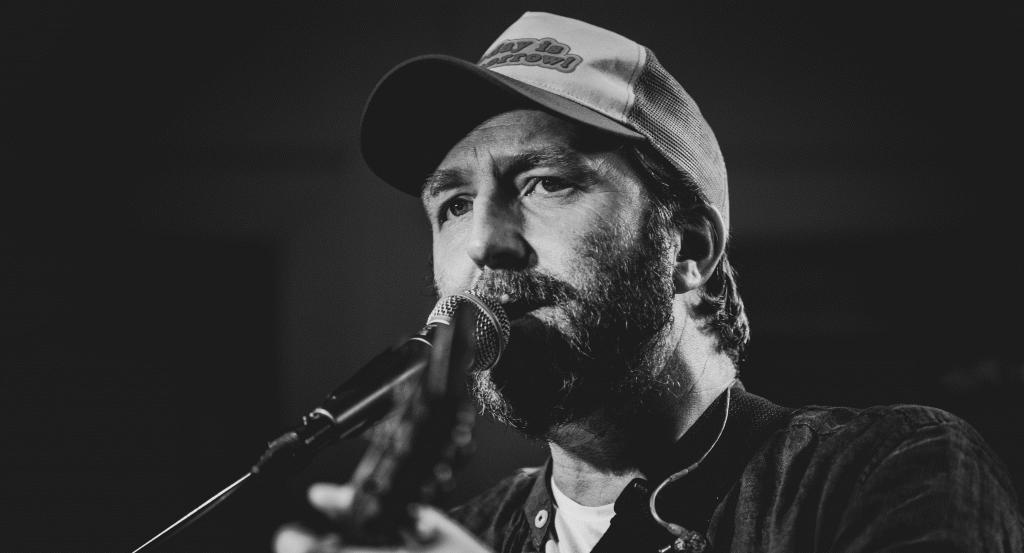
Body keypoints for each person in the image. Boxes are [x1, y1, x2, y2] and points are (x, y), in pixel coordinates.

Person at [275, 12, 1024, 553]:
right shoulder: (466, 533)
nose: (480, 243)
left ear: (688, 246)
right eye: (454, 205)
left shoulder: (886, 470)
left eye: (545, 183)